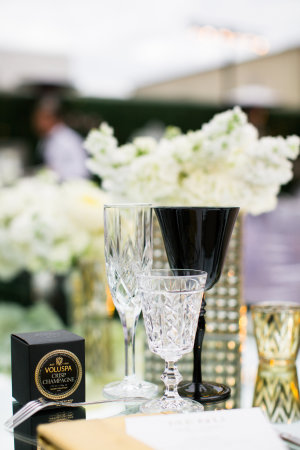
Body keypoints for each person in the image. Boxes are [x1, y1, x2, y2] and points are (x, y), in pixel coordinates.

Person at [32, 97, 89, 181]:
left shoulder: (68, 140)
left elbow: (82, 171)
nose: (35, 122)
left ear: (50, 118)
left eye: (38, 118)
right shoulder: (49, 137)